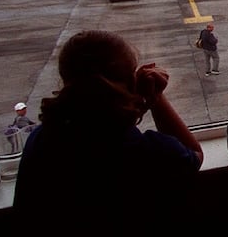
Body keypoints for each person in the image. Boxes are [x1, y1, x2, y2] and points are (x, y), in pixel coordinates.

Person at [14, 30, 202, 234]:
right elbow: (194, 155)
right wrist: (154, 96)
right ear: (129, 82)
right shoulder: (142, 150)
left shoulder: (41, 139)